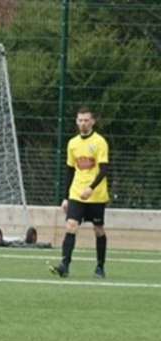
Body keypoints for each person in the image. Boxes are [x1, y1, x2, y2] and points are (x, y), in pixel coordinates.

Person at [50, 106, 110, 279]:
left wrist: (91, 188)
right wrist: (66, 197)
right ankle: (64, 265)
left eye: (86, 120)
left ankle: (100, 266)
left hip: (96, 195)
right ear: (77, 122)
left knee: (98, 229)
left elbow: (103, 169)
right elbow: (69, 171)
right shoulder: (72, 143)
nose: (83, 123)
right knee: (70, 225)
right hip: (76, 193)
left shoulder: (100, 142)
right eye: (80, 120)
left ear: (92, 121)